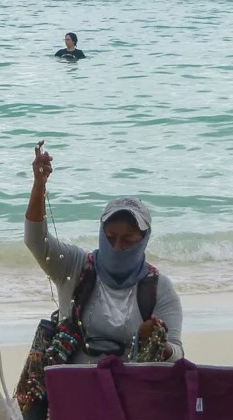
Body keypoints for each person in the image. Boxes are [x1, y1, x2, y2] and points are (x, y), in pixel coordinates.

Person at [25, 141, 183, 364]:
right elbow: (35, 241)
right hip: (70, 386)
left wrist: (158, 341)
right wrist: (39, 186)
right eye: (110, 238)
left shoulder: (159, 288)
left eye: (128, 240)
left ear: (144, 240)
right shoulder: (74, 266)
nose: (117, 247)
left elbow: (177, 354)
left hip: (130, 391)